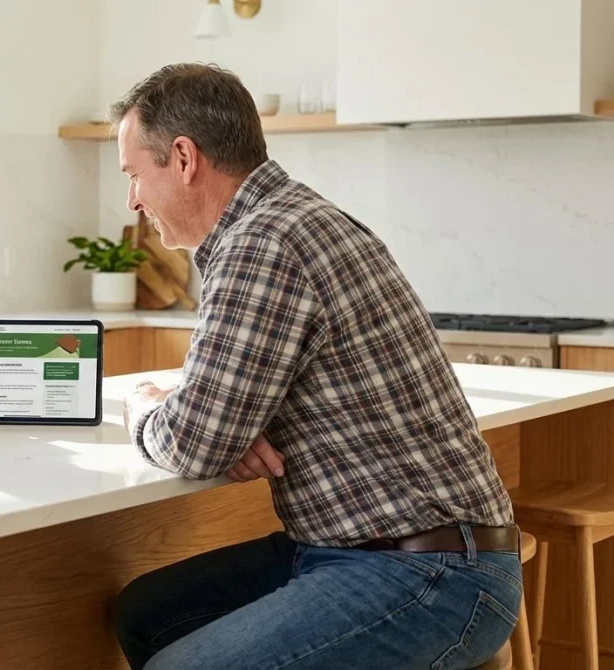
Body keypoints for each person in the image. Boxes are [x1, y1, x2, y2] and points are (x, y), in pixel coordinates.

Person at [112, 63, 522, 669]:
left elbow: (194, 441)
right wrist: (224, 424)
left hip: (427, 572)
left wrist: (143, 406)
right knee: (148, 614)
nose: (134, 200)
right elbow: (216, 418)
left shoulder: (264, 243)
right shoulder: (296, 218)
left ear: (183, 157)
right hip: (369, 549)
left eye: (134, 175)